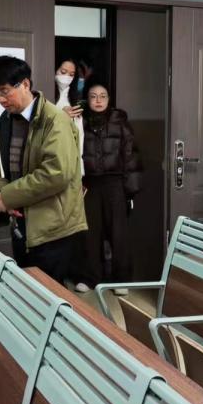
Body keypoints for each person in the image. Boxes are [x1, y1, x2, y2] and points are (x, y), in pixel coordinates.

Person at [0, 55, 87, 282]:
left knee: (48, 293)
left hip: (52, 226)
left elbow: (56, 173)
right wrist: (0, 193)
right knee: (27, 289)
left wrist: (8, 196)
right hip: (21, 219)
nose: (0, 99)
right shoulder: (7, 118)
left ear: (25, 84)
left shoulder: (55, 120)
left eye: (4, 91)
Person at [77, 79, 140, 293]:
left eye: (103, 96)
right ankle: (89, 278)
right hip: (89, 184)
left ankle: (121, 281)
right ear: (87, 99)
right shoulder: (79, 121)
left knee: (118, 233)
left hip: (115, 183)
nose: (98, 100)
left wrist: (130, 191)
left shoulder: (120, 122)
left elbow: (131, 156)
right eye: (93, 96)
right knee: (89, 232)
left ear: (109, 99)